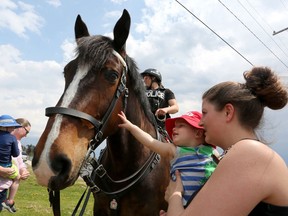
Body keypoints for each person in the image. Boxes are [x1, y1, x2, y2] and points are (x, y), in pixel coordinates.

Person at [160, 66, 288, 216]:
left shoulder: (249, 152)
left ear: (228, 112)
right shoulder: (239, 154)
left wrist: (175, 196)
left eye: (205, 113)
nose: (200, 123)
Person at [118, 110, 218, 207]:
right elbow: (150, 142)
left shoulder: (211, 152)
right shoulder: (175, 150)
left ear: (198, 133)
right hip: (182, 205)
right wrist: (131, 127)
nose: (174, 128)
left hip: (207, 203)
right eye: (175, 125)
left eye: (181, 126)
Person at [1, 118, 31, 213]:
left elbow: (19, 161)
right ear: (19, 127)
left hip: (3, 188)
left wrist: (23, 170)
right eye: (26, 132)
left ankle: (9, 201)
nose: (26, 136)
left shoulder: (17, 143)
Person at [0, 115, 21, 213]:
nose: (13, 129)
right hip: (6, 166)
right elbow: (16, 154)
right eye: (12, 126)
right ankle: (9, 200)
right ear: (6, 127)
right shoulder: (12, 138)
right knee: (17, 178)